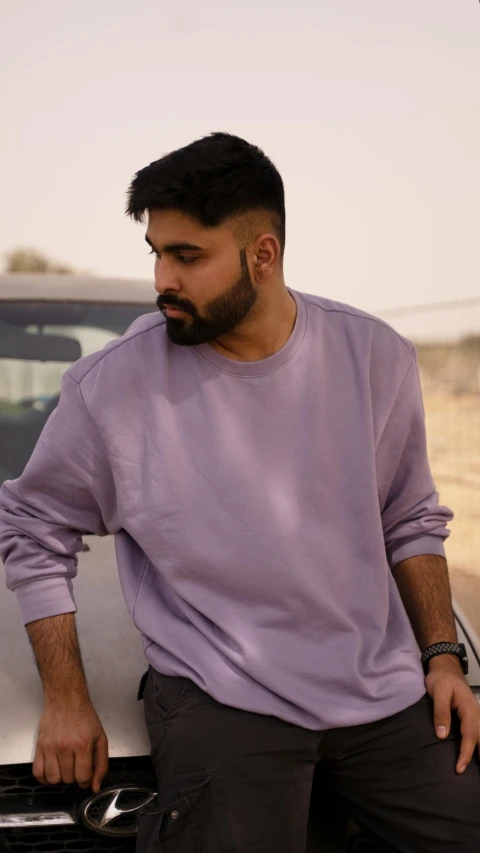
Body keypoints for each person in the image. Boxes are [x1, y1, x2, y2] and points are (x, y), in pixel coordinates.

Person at [0, 132, 479, 853]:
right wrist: (67, 697)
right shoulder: (115, 386)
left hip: (380, 693)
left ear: (264, 253)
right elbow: (33, 528)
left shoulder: (374, 356)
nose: (163, 277)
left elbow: (409, 518)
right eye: (156, 252)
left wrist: (443, 654)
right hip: (222, 697)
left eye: (187, 256)